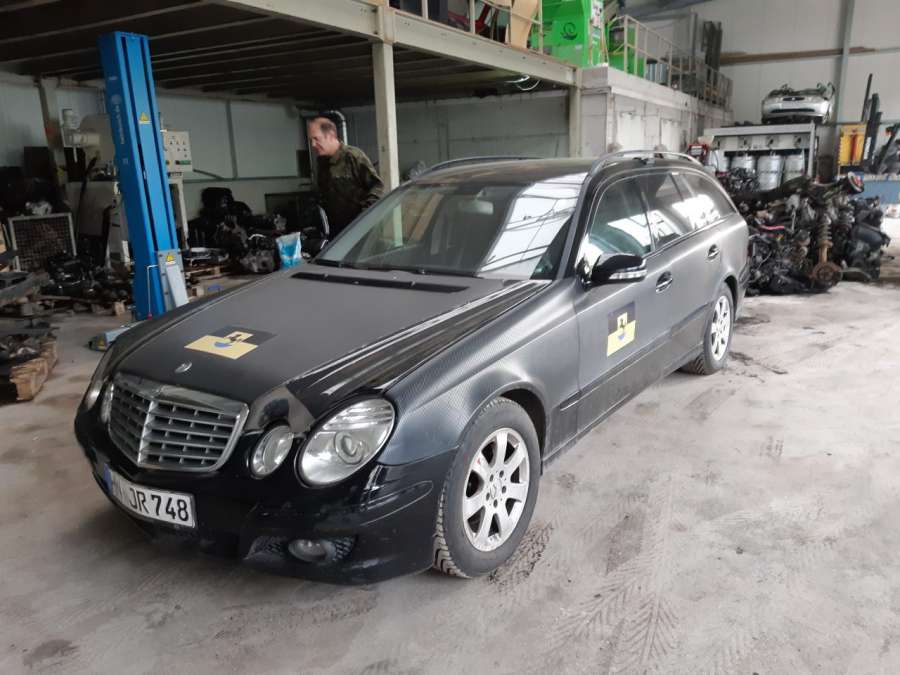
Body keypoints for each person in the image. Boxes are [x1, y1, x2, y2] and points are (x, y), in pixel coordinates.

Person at [307, 116, 384, 238]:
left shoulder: (353, 156)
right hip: (336, 232)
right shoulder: (322, 163)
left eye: (316, 139)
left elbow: (377, 186)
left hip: (362, 231)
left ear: (331, 135)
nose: (313, 144)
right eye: (311, 140)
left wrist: (364, 218)